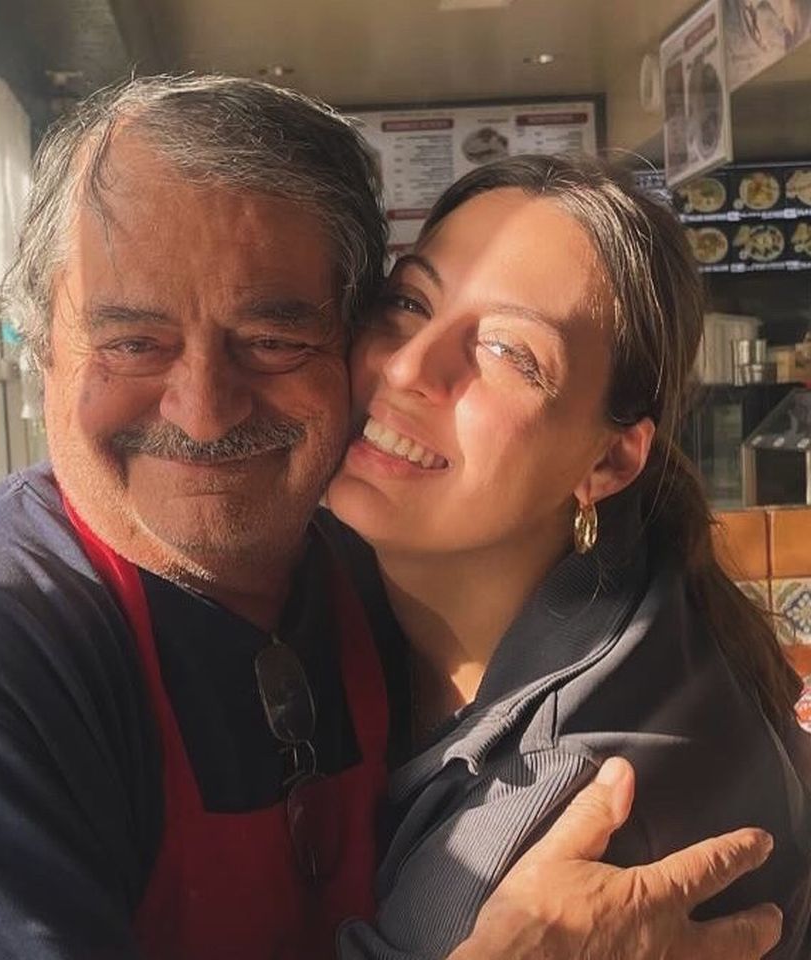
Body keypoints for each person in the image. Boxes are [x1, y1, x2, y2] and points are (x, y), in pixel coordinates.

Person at [0, 77, 784, 960]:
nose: (203, 412)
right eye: (134, 342)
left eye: (272, 339)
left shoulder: (560, 768)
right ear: (41, 350)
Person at [326, 154, 811, 959]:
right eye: (409, 302)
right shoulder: (631, 584)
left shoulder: (561, 829)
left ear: (609, 462)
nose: (409, 365)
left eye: (508, 353)